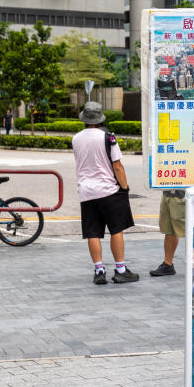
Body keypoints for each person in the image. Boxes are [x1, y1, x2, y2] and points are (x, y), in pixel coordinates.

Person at [72, 101, 139, 284]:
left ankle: (99, 270)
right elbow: (117, 165)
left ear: (84, 119)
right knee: (116, 229)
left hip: (86, 192)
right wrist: (124, 188)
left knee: (93, 232)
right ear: (100, 118)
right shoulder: (108, 137)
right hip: (108, 190)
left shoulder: (76, 138)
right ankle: (120, 269)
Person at [150, 190, 185, 276]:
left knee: (192, 229)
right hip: (167, 192)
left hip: (183, 195)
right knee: (170, 229)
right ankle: (168, 264)